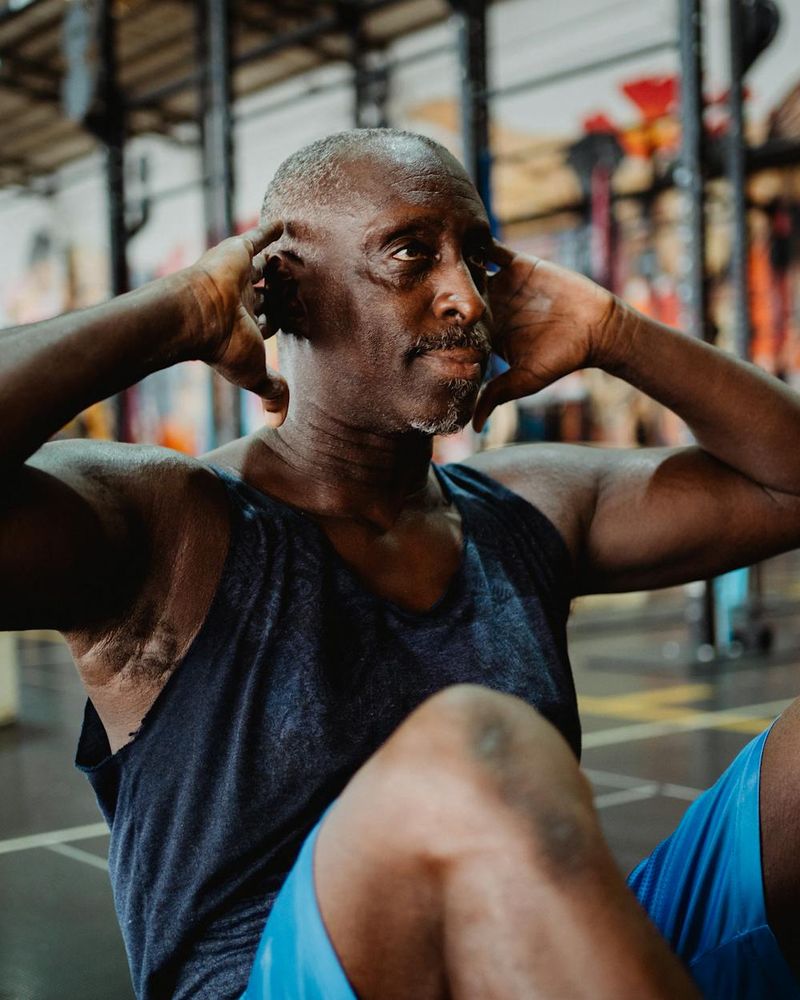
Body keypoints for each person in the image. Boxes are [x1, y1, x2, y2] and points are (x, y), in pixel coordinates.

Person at [2, 128, 800, 1000]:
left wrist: (615, 331)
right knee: (476, 743)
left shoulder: (524, 507)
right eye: (412, 254)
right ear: (283, 286)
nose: (467, 297)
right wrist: (179, 309)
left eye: (478, 259)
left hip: (530, 962)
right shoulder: (173, 525)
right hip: (276, 983)